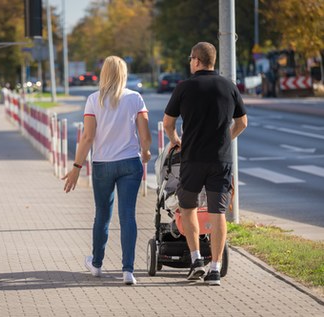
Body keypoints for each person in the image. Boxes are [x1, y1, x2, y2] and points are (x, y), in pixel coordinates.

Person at [163, 42, 248, 286]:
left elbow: (168, 123)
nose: (190, 62)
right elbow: (242, 122)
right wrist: (225, 140)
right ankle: (215, 268)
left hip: (192, 159)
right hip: (220, 160)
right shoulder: (229, 86)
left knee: (188, 208)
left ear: (197, 61)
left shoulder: (184, 88)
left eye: (191, 58)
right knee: (217, 212)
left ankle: (196, 259)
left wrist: (176, 141)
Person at [62, 56, 152, 285]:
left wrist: (76, 167)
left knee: (102, 214)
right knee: (128, 215)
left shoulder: (93, 100)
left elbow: (88, 137)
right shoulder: (136, 98)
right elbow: (145, 136)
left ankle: (97, 264)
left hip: (102, 165)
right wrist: (146, 151)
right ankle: (128, 271)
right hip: (130, 164)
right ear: (124, 73)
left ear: (104, 74)